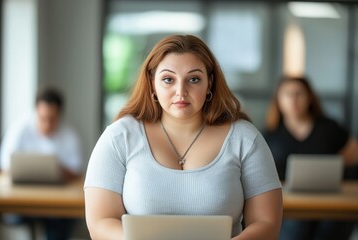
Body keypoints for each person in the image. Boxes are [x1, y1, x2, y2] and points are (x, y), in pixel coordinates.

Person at [84, 34, 282, 240]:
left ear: (210, 83)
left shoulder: (245, 138)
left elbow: (266, 224)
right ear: (152, 83)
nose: (181, 91)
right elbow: (101, 222)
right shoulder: (119, 137)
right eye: (168, 80)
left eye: (194, 79)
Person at [264, 75, 358, 240]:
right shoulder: (270, 134)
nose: (293, 100)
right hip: (288, 204)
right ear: (278, 100)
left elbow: (354, 152)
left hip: (330, 200)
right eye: (287, 94)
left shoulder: (328, 127)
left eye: (299, 94)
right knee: (296, 228)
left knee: (332, 228)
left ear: (309, 97)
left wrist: (337, 164)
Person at [0, 86, 82, 240]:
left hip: (58, 204)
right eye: (43, 118)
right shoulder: (19, 128)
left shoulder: (70, 134)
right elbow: (4, 165)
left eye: (52, 119)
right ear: (36, 111)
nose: (47, 124)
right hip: (21, 201)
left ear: (60, 115)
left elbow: (76, 172)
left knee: (63, 221)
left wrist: (57, 169)